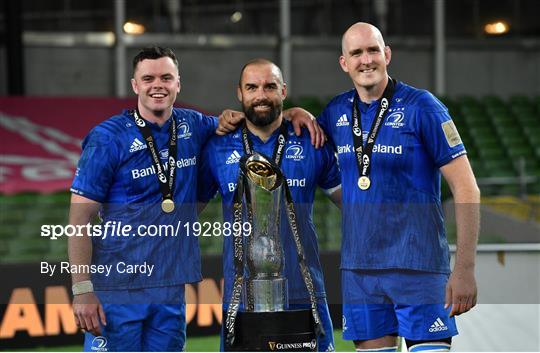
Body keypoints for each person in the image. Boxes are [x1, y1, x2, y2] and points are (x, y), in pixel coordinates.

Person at [68, 47, 322, 352]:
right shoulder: (107, 138)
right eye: (148, 78)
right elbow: (78, 220)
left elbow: (255, 116)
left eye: (166, 77)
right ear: (135, 85)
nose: (157, 85)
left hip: (170, 290)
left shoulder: (194, 125)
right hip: (118, 288)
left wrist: (294, 113)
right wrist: (82, 289)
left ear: (178, 83)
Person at [316, 22, 480, 352]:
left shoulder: (424, 107)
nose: (366, 60)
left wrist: (464, 270)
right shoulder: (334, 112)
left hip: (418, 267)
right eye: (356, 53)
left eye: (373, 50)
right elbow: (316, 166)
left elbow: (467, 190)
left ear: (387, 54)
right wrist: (295, 113)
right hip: (361, 273)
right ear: (344, 63)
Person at [197, 59, 342, 351]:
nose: (261, 95)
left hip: (305, 294)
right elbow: (187, 213)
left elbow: (355, 207)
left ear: (283, 91)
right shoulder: (217, 147)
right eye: (252, 87)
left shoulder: (312, 141)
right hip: (241, 300)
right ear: (239, 93)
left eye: (269, 86)